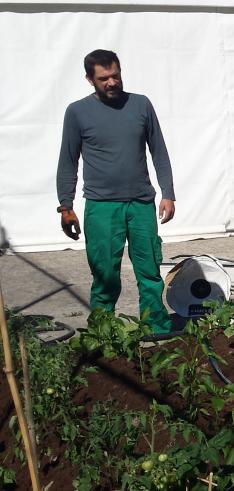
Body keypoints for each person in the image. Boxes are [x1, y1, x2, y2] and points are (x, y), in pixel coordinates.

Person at [56, 49, 176, 335]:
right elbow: (67, 160)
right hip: (101, 206)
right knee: (105, 274)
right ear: (90, 79)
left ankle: (156, 328)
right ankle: (103, 331)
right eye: (103, 78)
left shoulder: (141, 105)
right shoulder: (77, 112)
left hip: (140, 204)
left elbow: (159, 151)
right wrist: (65, 206)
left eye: (115, 76)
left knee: (149, 270)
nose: (111, 82)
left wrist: (168, 193)